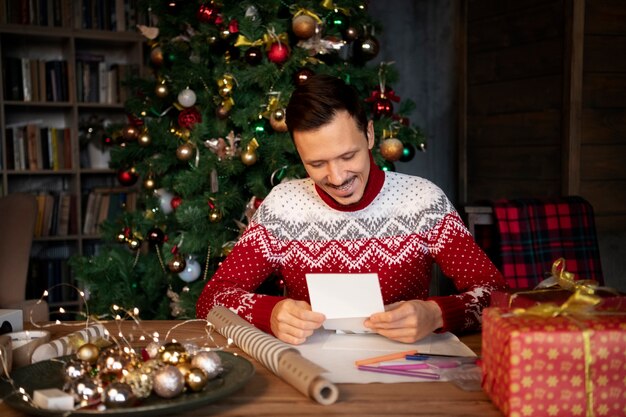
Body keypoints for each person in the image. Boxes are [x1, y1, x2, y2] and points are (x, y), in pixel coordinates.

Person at [196, 74, 507, 345]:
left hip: (406, 368)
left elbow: (497, 296)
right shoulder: (283, 207)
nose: (337, 177)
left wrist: (437, 314)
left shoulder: (422, 200)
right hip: (308, 371)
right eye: (316, 163)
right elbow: (212, 299)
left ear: (370, 134)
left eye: (348, 156)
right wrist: (270, 312)